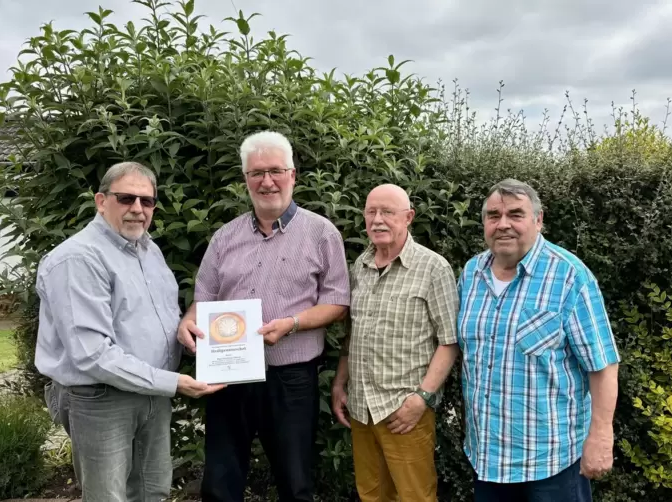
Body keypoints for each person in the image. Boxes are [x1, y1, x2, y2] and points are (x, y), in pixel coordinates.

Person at [177, 130, 351, 502]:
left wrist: (293, 324)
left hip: (291, 380)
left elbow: (338, 303)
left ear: (293, 174)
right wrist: (187, 322)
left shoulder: (322, 233)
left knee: (295, 481)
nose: (266, 181)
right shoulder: (225, 237)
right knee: (221, 482)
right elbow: (204, 297)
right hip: (228, 376)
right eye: (256, 173)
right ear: (245, 179)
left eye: (275, 170)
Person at [35, 161, 224, 502]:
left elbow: (157, 315)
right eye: (126, 198)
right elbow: (92, 353)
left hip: (152, 395)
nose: (138, 209)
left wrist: (183, 327)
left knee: (153, 489)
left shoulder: (148, 251)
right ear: (101, 201)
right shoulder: (78, 259)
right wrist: (174, 382)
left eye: (147, 201)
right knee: (109, 496)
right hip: (102, 400)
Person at [457, 179, 620, 502]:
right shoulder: (471, 273)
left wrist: (601, 437)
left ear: (538, 219)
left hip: (552, 465)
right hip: (487, 458)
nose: (503, 224)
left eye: (516, 214)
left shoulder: (570, 276)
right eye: (493, 216)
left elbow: (602, 366)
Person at [331, 184, 460, 502]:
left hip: (405, 411)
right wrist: (339, 383)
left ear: (409, 217)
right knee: (371, 494)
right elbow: (353, 333)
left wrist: (421, 398)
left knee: (415, 496)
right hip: (362, 408)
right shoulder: (359, 266)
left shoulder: (433, 268)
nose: (377, 220)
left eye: (387, 212)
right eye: (371, 212)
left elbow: (449, 341)